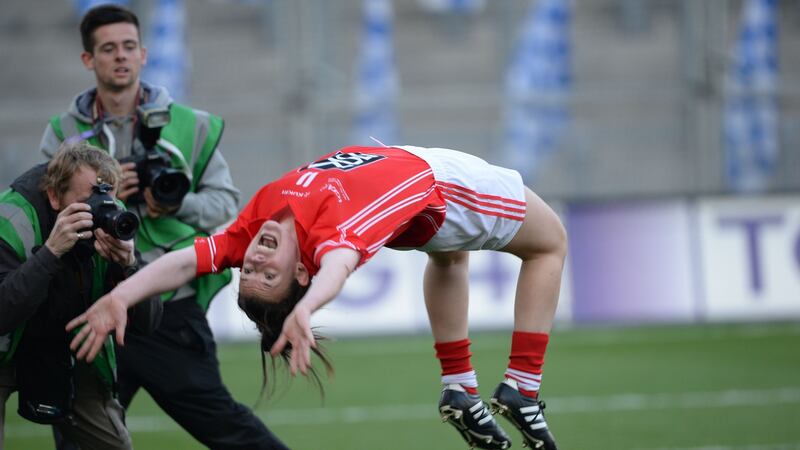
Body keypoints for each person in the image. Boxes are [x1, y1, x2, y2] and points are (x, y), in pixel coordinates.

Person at [68, 145, 567, 450]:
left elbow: (184, 262)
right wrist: (305, 308)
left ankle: (459, 386)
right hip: (443, 185)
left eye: (249, 272)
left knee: (447, 257)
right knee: (550, 244)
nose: (256, 262)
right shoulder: (331, 236)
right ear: (302, 270)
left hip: (415, 186)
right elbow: (339, 267)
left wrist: (122, 297)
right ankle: (522, 387)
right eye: (269, 275)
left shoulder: (256, 226)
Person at [39, 5, 288, 450]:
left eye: (129, 47)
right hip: (92, 301)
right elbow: (48, 209)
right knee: (77, 436)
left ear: (144, 54)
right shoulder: (62, 132)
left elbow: (225, 203)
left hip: (168, 306)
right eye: (108, 49)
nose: (121, 57)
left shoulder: (191, 125)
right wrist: (108, 197)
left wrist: (167, 203)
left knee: (224, 426)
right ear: (88, 60)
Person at [0, 142, 163, 450]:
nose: (101, 207)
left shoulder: (115, 219)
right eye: (89, 198)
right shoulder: (13, 217)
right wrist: (50, 252)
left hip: (66, 343)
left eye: (107, 196)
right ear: (54, 196)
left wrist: (128, 266)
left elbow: (150, 321)